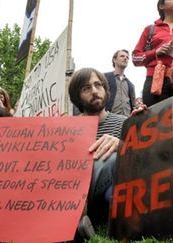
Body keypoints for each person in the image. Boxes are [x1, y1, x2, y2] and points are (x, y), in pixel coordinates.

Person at [68, 67, 127, 240]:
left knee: (115, 159)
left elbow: (140, 162)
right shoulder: (67, 129)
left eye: (98, 85)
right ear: (76, 96)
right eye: (86, 88)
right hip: (75, 195)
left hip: (110, 192)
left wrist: (122, 145)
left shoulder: (125, 123)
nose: (94, 91)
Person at [132, 0, 173, 107]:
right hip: (154, 81)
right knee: (154, 120)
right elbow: (135, 58)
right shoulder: (150, 29)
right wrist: (156, 52)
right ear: (162, 6)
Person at [104, 49, 136, 116]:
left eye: (127, 57)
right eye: (122, 56)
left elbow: (133, 106)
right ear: (114, 60)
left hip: (126, 120)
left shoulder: (131, 85)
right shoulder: (104, 77)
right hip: (108, 119)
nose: (125, 58)